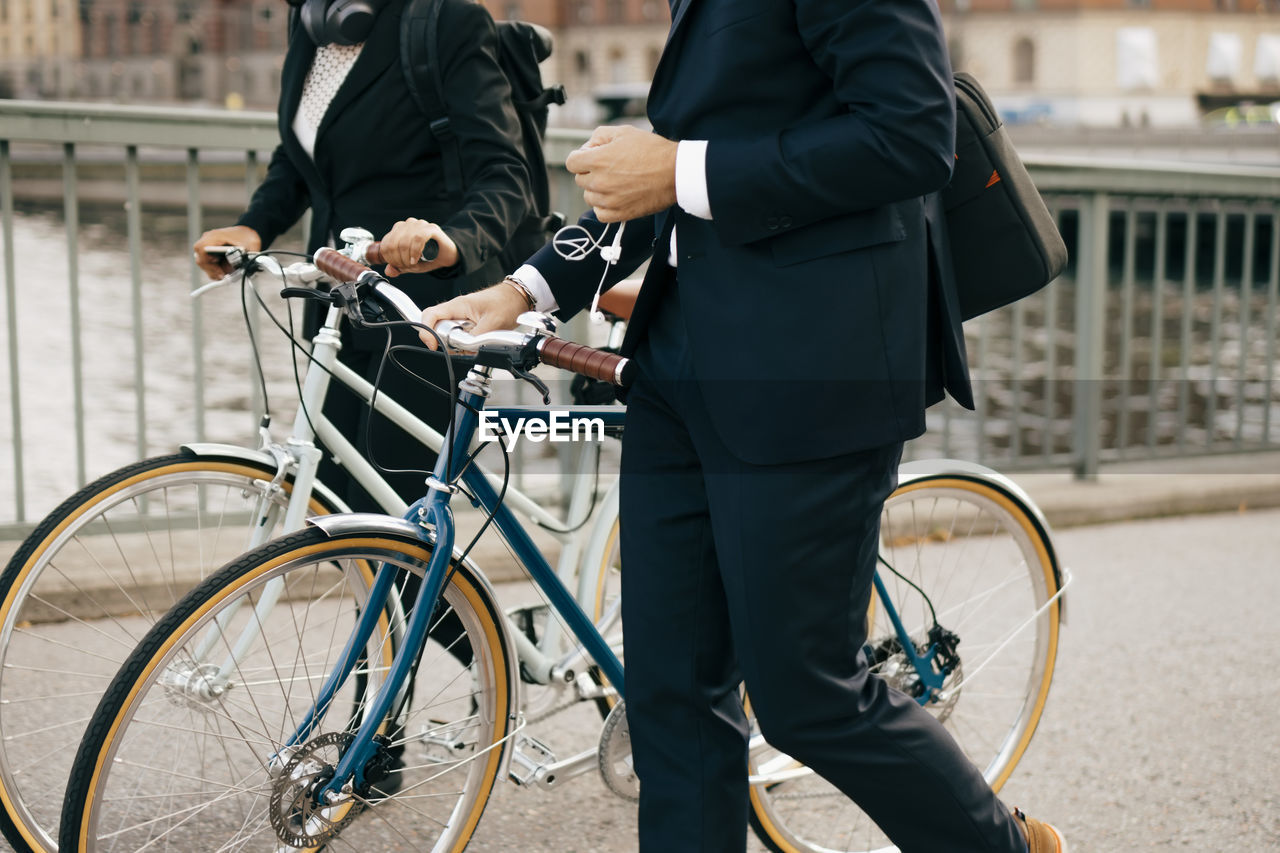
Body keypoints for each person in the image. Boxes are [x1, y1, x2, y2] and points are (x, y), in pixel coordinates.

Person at [420, 0, 1068, 850]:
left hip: (811, 368)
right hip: (679, 363)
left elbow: (913, 135)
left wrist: (684, 169)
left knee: (809, 697)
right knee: (672, 695)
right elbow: (663, 182)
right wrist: (526, 289)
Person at [193, 0, 534, 509]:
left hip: (424, 314)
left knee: (393, 530)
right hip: (338, 306)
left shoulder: (444, 23)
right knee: (336, 515)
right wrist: (254, 226)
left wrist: (452, 241)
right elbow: (304, 153)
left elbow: (505, 175)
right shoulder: (313, 26)